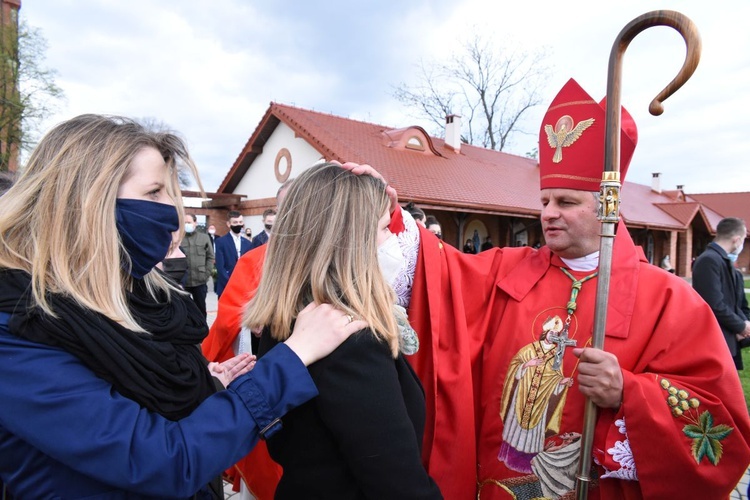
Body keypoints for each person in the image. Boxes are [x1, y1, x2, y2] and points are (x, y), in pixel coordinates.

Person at [344, 78, 750, 499]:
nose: (549, 214)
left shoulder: (670, 300)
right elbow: (437, 275)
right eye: (544, 202)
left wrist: (630, 392)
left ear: (608, 205)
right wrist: (388, 214)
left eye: (566, 203)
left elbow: (722, 430)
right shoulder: (507, 270)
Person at [0, 114, 366, 498]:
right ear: (86, 201)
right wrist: (292, 358)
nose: (171, 213)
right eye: (154, 192)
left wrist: (205, 385)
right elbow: (159, 459)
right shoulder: (17, 328)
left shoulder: (135, 297)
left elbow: (140, 395)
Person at [248, 163, 442, 499]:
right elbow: (399, 485)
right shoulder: (349, 338)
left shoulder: (291, 314)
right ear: (350, 242)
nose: (395, 239)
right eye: (385, 228)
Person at [692, 217, 750, 369]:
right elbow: (714, 304)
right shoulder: (708, 261)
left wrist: (745, 325)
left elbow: (735, 304)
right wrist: (740, 326)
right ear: (736, 240)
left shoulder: (725, 262)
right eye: (743, 239)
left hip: (728, 340)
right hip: (714, 342)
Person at [182, 213, 214, 318]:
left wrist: (206, 273)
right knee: (183, 309)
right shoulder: (179, 238)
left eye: (189, 222)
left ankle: (203, 332)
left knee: (200, 309)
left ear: (195, 223)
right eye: (185, 222)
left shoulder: (204, 238)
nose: (187, 224)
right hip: (183, 281)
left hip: (200, 280)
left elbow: (210, 257)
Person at [214, 210, 253, 297]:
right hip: (226, 286)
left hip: (243, 286)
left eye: (240, 222)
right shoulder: (221, 242)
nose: (238, 224)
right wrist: (230, 284)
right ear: (229, 224)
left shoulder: (248, 243)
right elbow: (220, 267)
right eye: (235, 222)